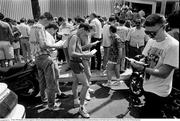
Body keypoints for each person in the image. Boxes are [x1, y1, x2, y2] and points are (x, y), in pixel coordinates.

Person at [130, 14, 179, 118]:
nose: (150, 36)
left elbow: (164, 73)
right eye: (147, 32)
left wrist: (142, 68)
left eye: (153, 33)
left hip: (159, 91)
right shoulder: (151, 41)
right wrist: (138, 62)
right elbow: (146, 58)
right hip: (147, 86)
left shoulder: (173, 45)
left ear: (164, 27)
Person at [29, 12, 65, 111]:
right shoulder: (40, 27)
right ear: (45, 19)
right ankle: (51, 105)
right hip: (45, 57)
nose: (48, 24)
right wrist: (57, 46)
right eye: (48, 22)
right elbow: (43, 44)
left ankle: (44, 99)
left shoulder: (33, 27)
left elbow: (34, 44)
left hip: (37, 57)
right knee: (51, 82)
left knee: (42, 81)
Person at [68, 23, 95, 118]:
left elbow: (75, 50)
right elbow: (71, 53)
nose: (86, 36)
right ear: (82, 29)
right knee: (86, 85)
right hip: (76, 63)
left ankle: (76, 100)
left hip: (75, 62)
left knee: (75, 82)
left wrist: (83, 53)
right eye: (85, 34)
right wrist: (85, 55)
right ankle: (81, 108)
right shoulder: (75, 37)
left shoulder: (74, 35)